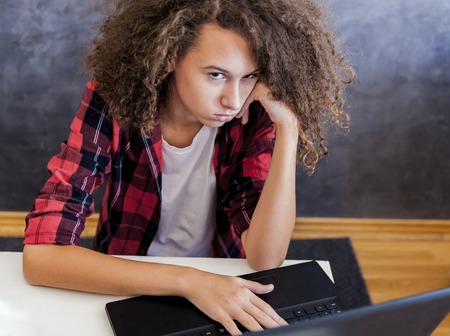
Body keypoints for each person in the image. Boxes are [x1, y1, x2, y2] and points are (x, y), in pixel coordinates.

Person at [22, 0, 354, 334]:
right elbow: (41, 257)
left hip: (222, 276)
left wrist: (288, 127)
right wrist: (190, 282)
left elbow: (266, 257)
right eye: (216, 75)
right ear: (169, 57)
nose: (233, 100)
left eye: (249, 76)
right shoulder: (115, 98)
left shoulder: (251, 115)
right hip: (131, 274)